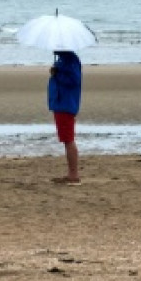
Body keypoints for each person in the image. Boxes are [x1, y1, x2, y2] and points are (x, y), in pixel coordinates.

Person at [47, 50, 83, 184]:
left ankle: (73, 175)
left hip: (65, 104)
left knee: (68, 139)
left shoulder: (70, 59)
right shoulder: (63, 58)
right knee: (66, 138)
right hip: (60, 102)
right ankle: (71, 173)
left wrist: (57, 74)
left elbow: (74, 80)